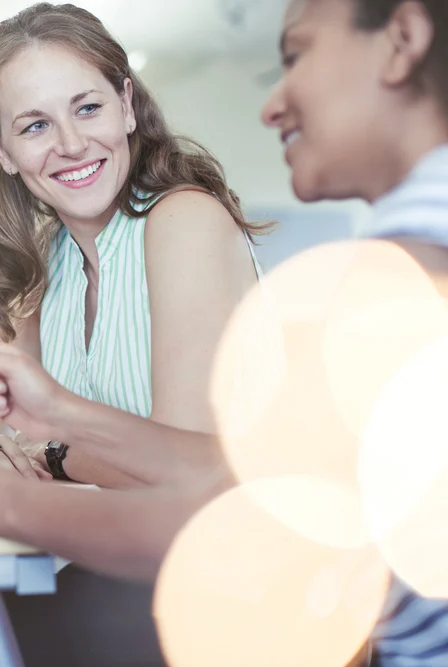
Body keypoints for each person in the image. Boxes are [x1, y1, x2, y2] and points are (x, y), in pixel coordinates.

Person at [0, 3, 265, 665]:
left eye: (86, 108)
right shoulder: (42, 262)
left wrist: (53, 452)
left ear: (126, 106)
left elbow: (181, 479)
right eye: (36, 124)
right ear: (3, 151)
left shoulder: (182, 221)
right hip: (117, 556)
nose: (69, 143)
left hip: (231, 570)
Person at [260, 1, 448, 665]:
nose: (271, 106)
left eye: (295, 55)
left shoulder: (412, 264)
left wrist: (8, 504)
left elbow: (244, 512)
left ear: (401, 42)